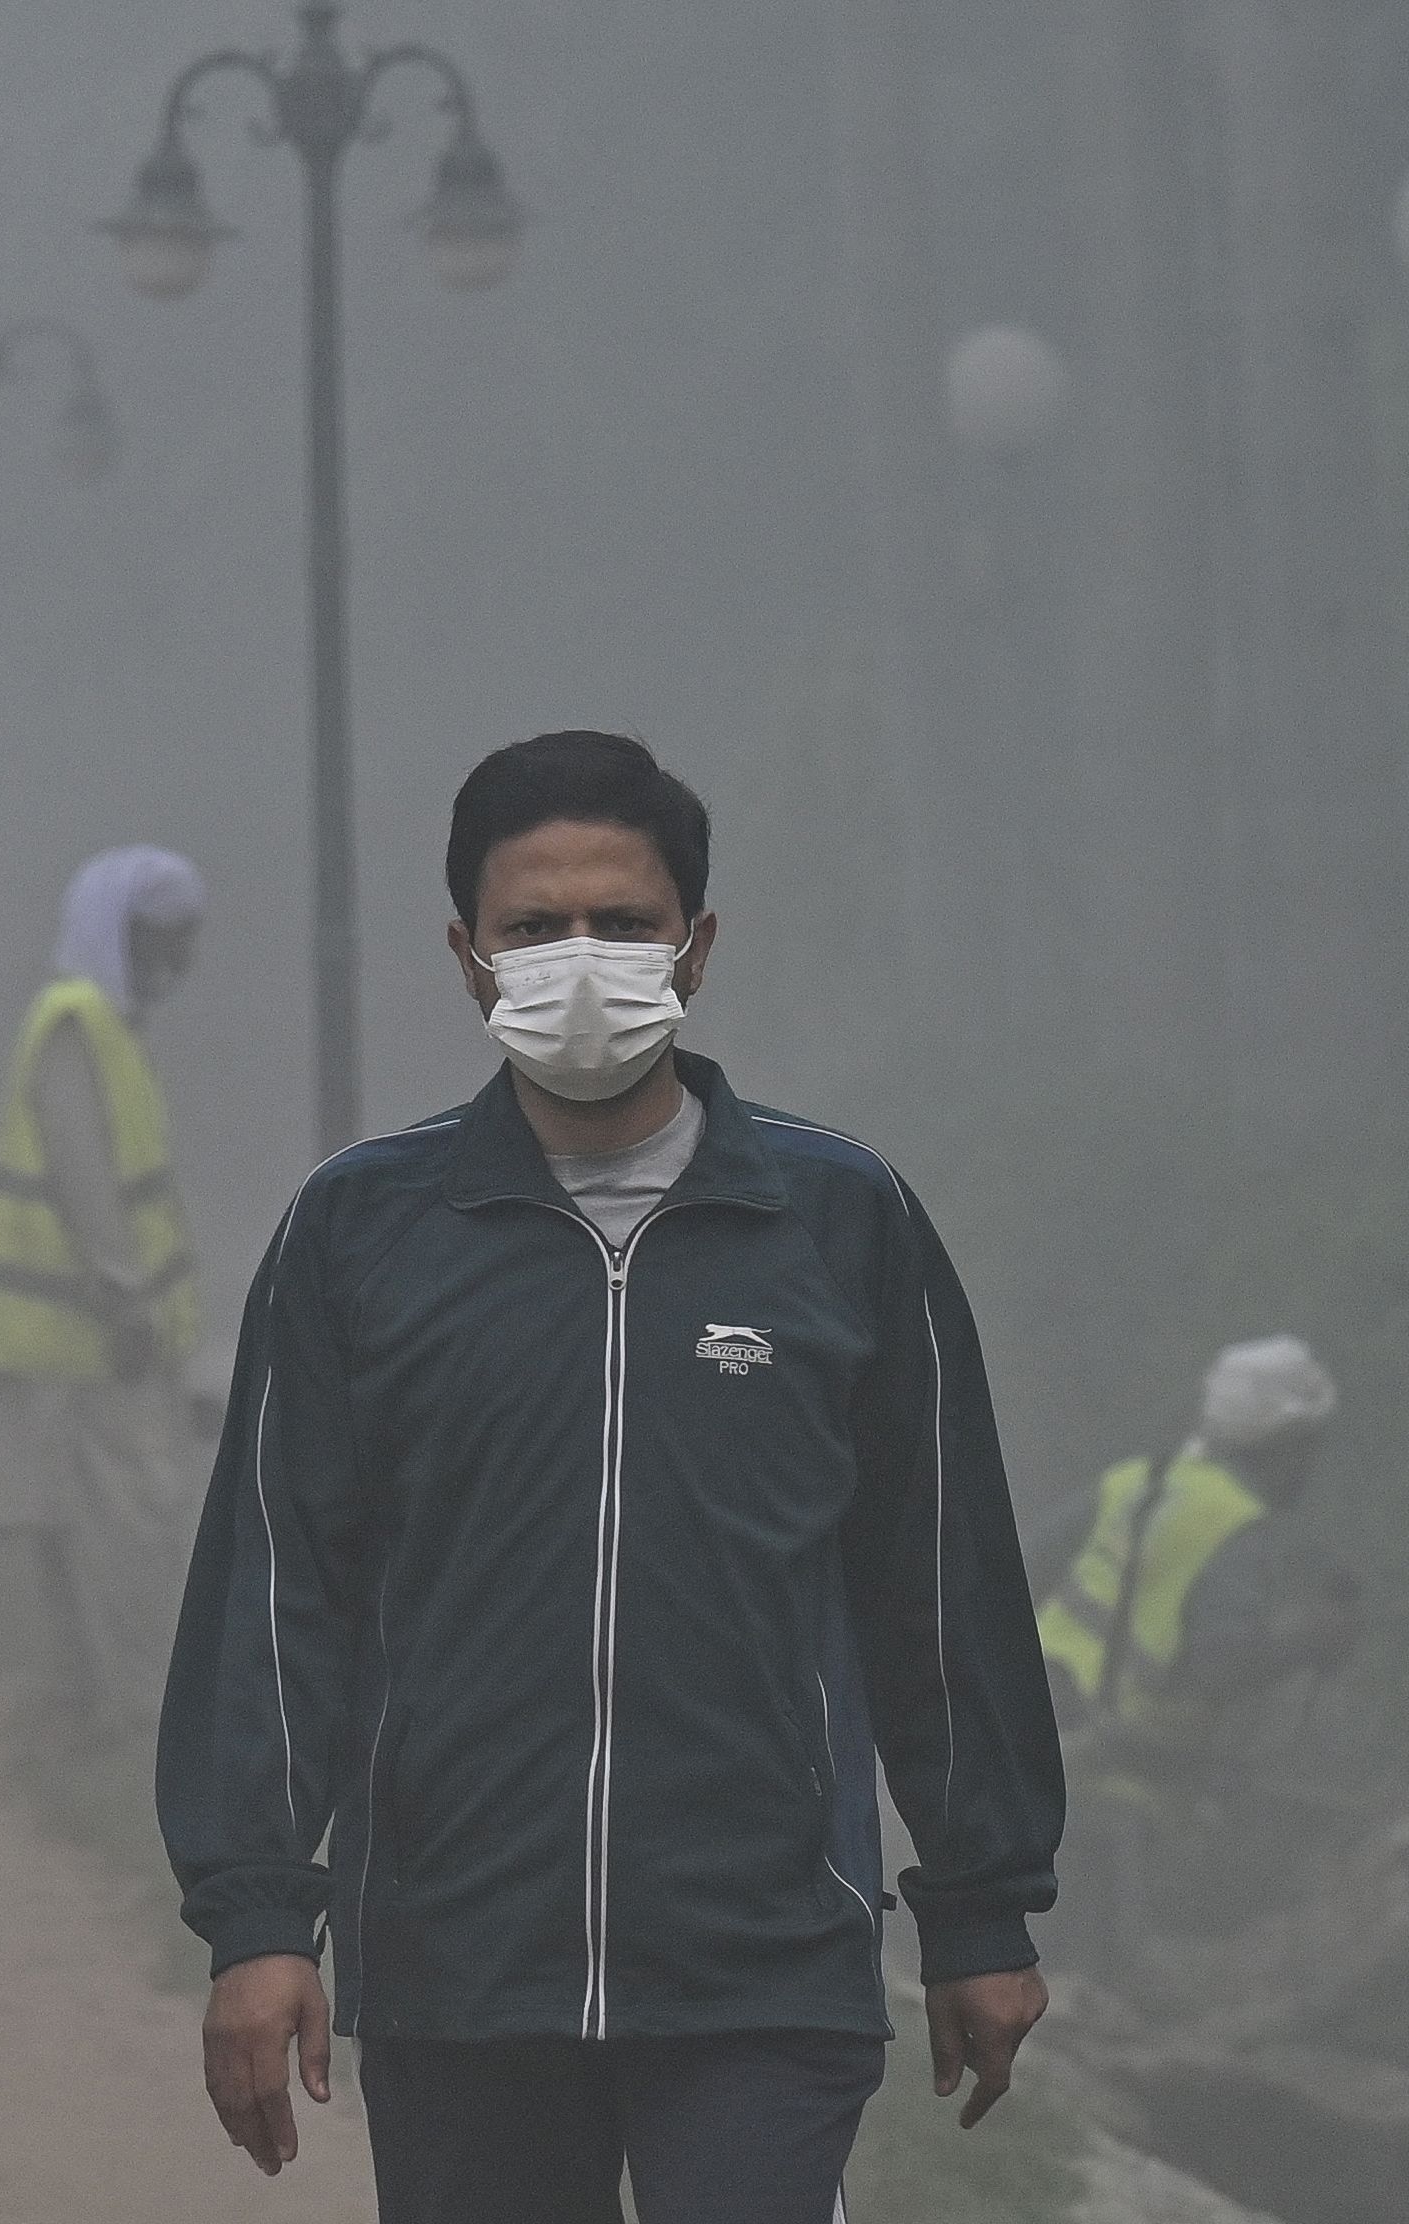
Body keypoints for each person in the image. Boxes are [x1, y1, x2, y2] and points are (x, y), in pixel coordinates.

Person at [158, 732, 1063, 2223]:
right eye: (533, 928)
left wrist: (981, 1907)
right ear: (468, 958)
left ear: (695, 949)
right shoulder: (363, 1233)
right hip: (461, 1961)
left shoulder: (839, 1224)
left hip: (765, 1955)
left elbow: (939, 1583)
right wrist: (259, 1917)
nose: (580, 961)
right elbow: (274, 1593)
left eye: (624, 925)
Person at [0, 846, 209, 1735]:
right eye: (157, 942)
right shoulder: (77, 1025)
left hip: (78, 1329)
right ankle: (128, 1705)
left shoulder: (102, 1027)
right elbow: (84, 1175)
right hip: (84, 1331)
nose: (171, 965)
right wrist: (124, 1295)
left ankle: (92, 1697)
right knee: (126, 1524)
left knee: (76, 1523)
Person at [1035, 1334, 1352, 1963]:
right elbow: (1212, 1666)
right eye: (1309, 1446)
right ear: (1284, 1444)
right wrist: (1309, 1637)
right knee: (1084, 2001)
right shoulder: (1239, 1527)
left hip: (1031, 1759)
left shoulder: (1133, 1483)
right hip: (1114, 1807)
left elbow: (1015, 1569)